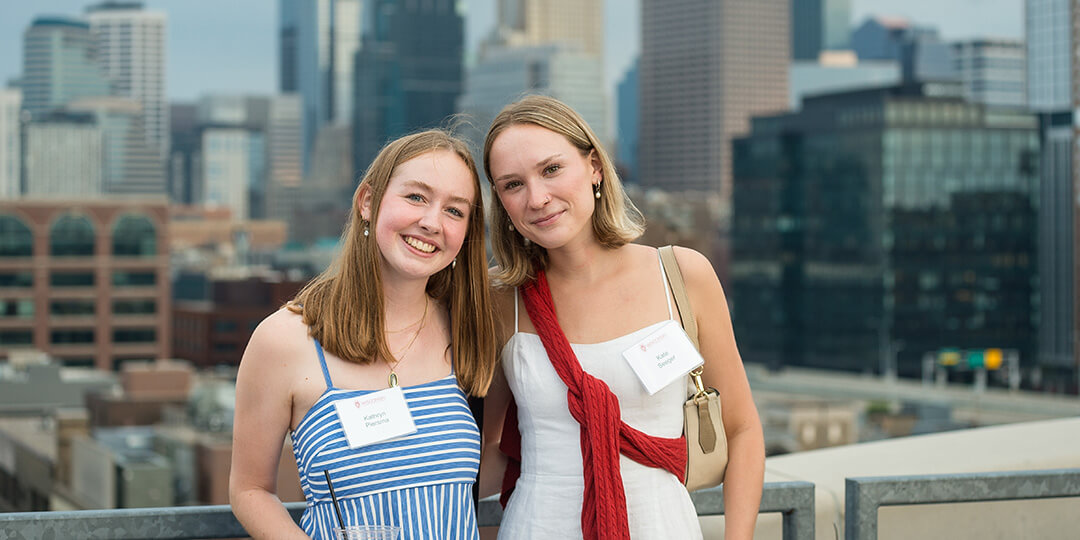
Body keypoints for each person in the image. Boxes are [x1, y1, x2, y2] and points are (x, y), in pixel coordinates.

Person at [478, 95, 765, 540]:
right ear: (500, 201)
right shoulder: (501, 299)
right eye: (512, 184)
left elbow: (742, 428)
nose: (537, 198)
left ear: (594, 167)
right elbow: (484, 448)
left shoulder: (681, 276)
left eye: (551, 169)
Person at [230, 129, 497, 540]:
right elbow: (249, 490)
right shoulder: (284, 340)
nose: (431, 222)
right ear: (367, 202)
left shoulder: (469, 329)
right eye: (416, 197)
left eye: (455, 211)